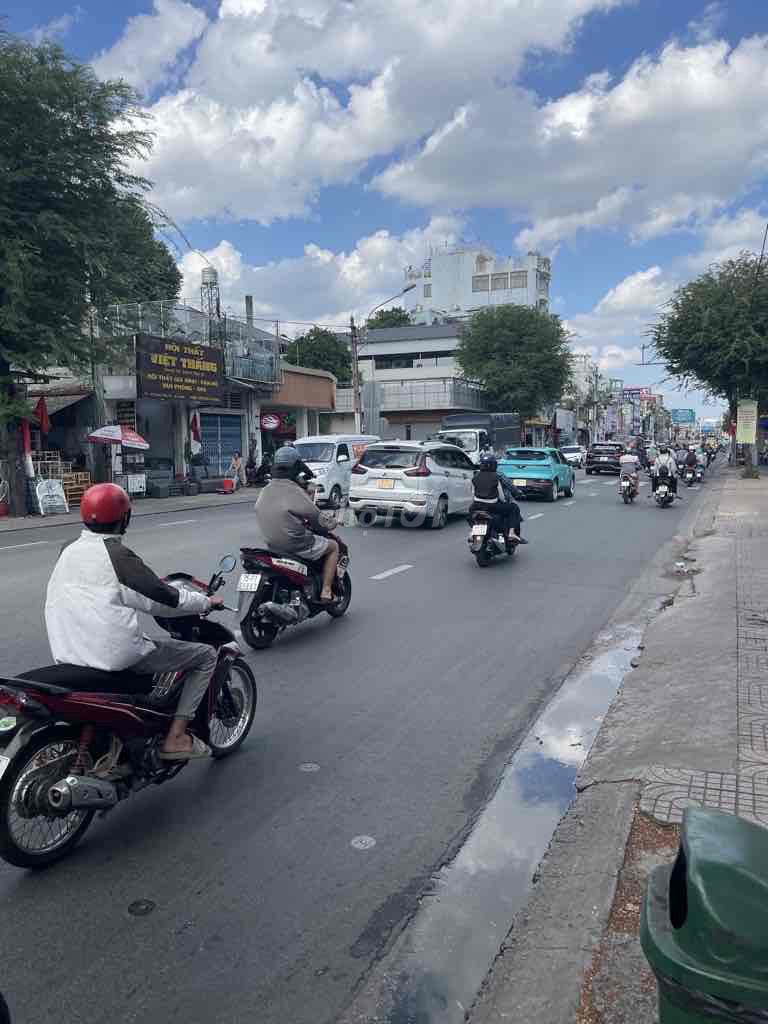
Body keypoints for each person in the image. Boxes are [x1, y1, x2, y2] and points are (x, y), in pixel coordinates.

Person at [45, 484, 223, 760]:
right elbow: (164, 601)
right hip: (114, 656)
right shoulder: (118, 556)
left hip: (68, 651)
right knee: (206, 655)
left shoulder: (68, 549)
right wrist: (205, 602)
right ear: (124, 518)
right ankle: (176, 737)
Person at [254, 446, 340, 602]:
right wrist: (332, 523)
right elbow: (316, 517)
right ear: (296, 468)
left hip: (272, 545)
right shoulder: (293, 490)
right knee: (333, 546)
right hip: (295, 544)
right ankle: (326, 590)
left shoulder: (265, 489)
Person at [470, 453, 527, 543]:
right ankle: (511, 533)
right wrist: (504, 501)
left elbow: (473, 493)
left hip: (476, 505)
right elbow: (501, 496)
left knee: (471, 515)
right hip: (492, 506)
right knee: (514, 508)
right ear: (494, 465)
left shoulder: (475, 476)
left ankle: (472, 533)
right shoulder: (496, 476)